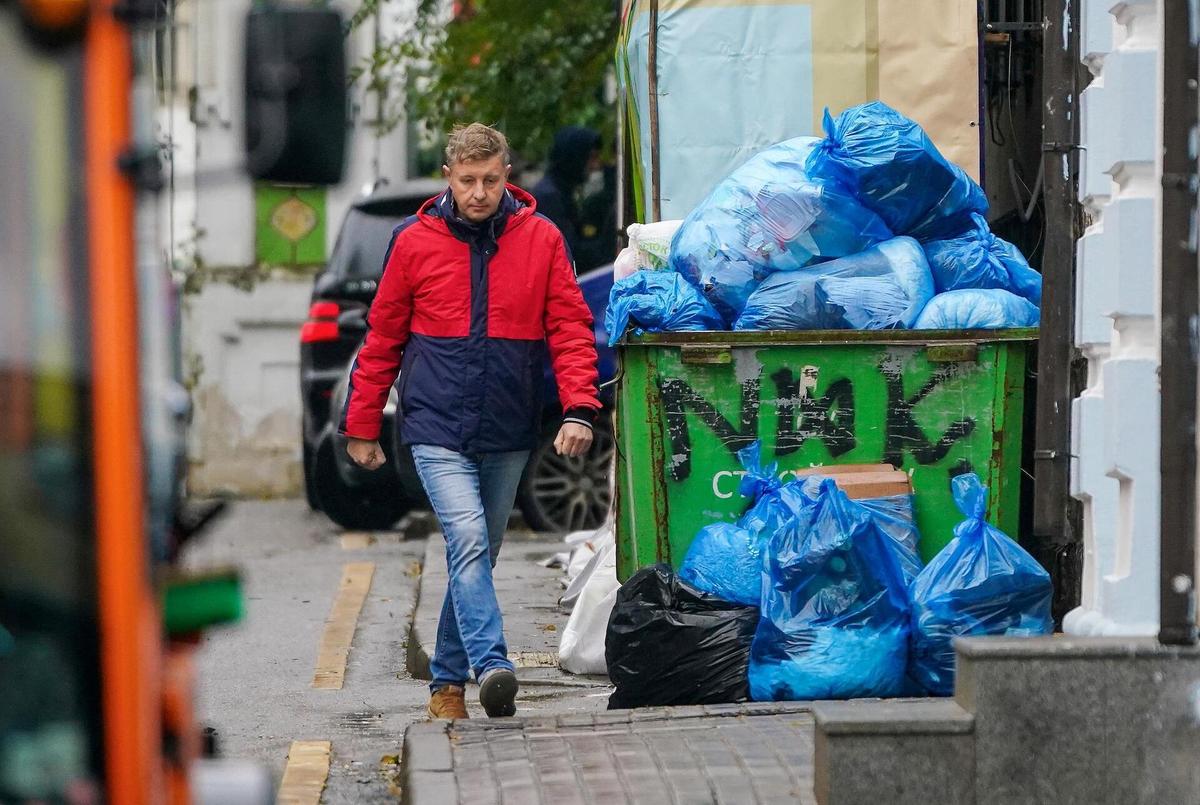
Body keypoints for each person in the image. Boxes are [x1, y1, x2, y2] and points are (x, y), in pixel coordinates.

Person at [339, 123, 600, 720]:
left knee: (477, 555)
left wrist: (579, 406)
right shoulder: (411, 242)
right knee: (467, 538)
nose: (479, 192)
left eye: (490, 179)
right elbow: (382, 338)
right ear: (448, 180)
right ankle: (493, 664)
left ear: (507, 175)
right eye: (467, 181)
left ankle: (447, 688)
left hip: (508, 424)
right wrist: (362, 422)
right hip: (434, 422)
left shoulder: (541, 239)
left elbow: (569, 328)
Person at [530, 126, 601, 262]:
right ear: (575, 158)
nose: (595, 165)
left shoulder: (562, 191)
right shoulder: (549, 197)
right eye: (591, 157)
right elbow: (568, 251)